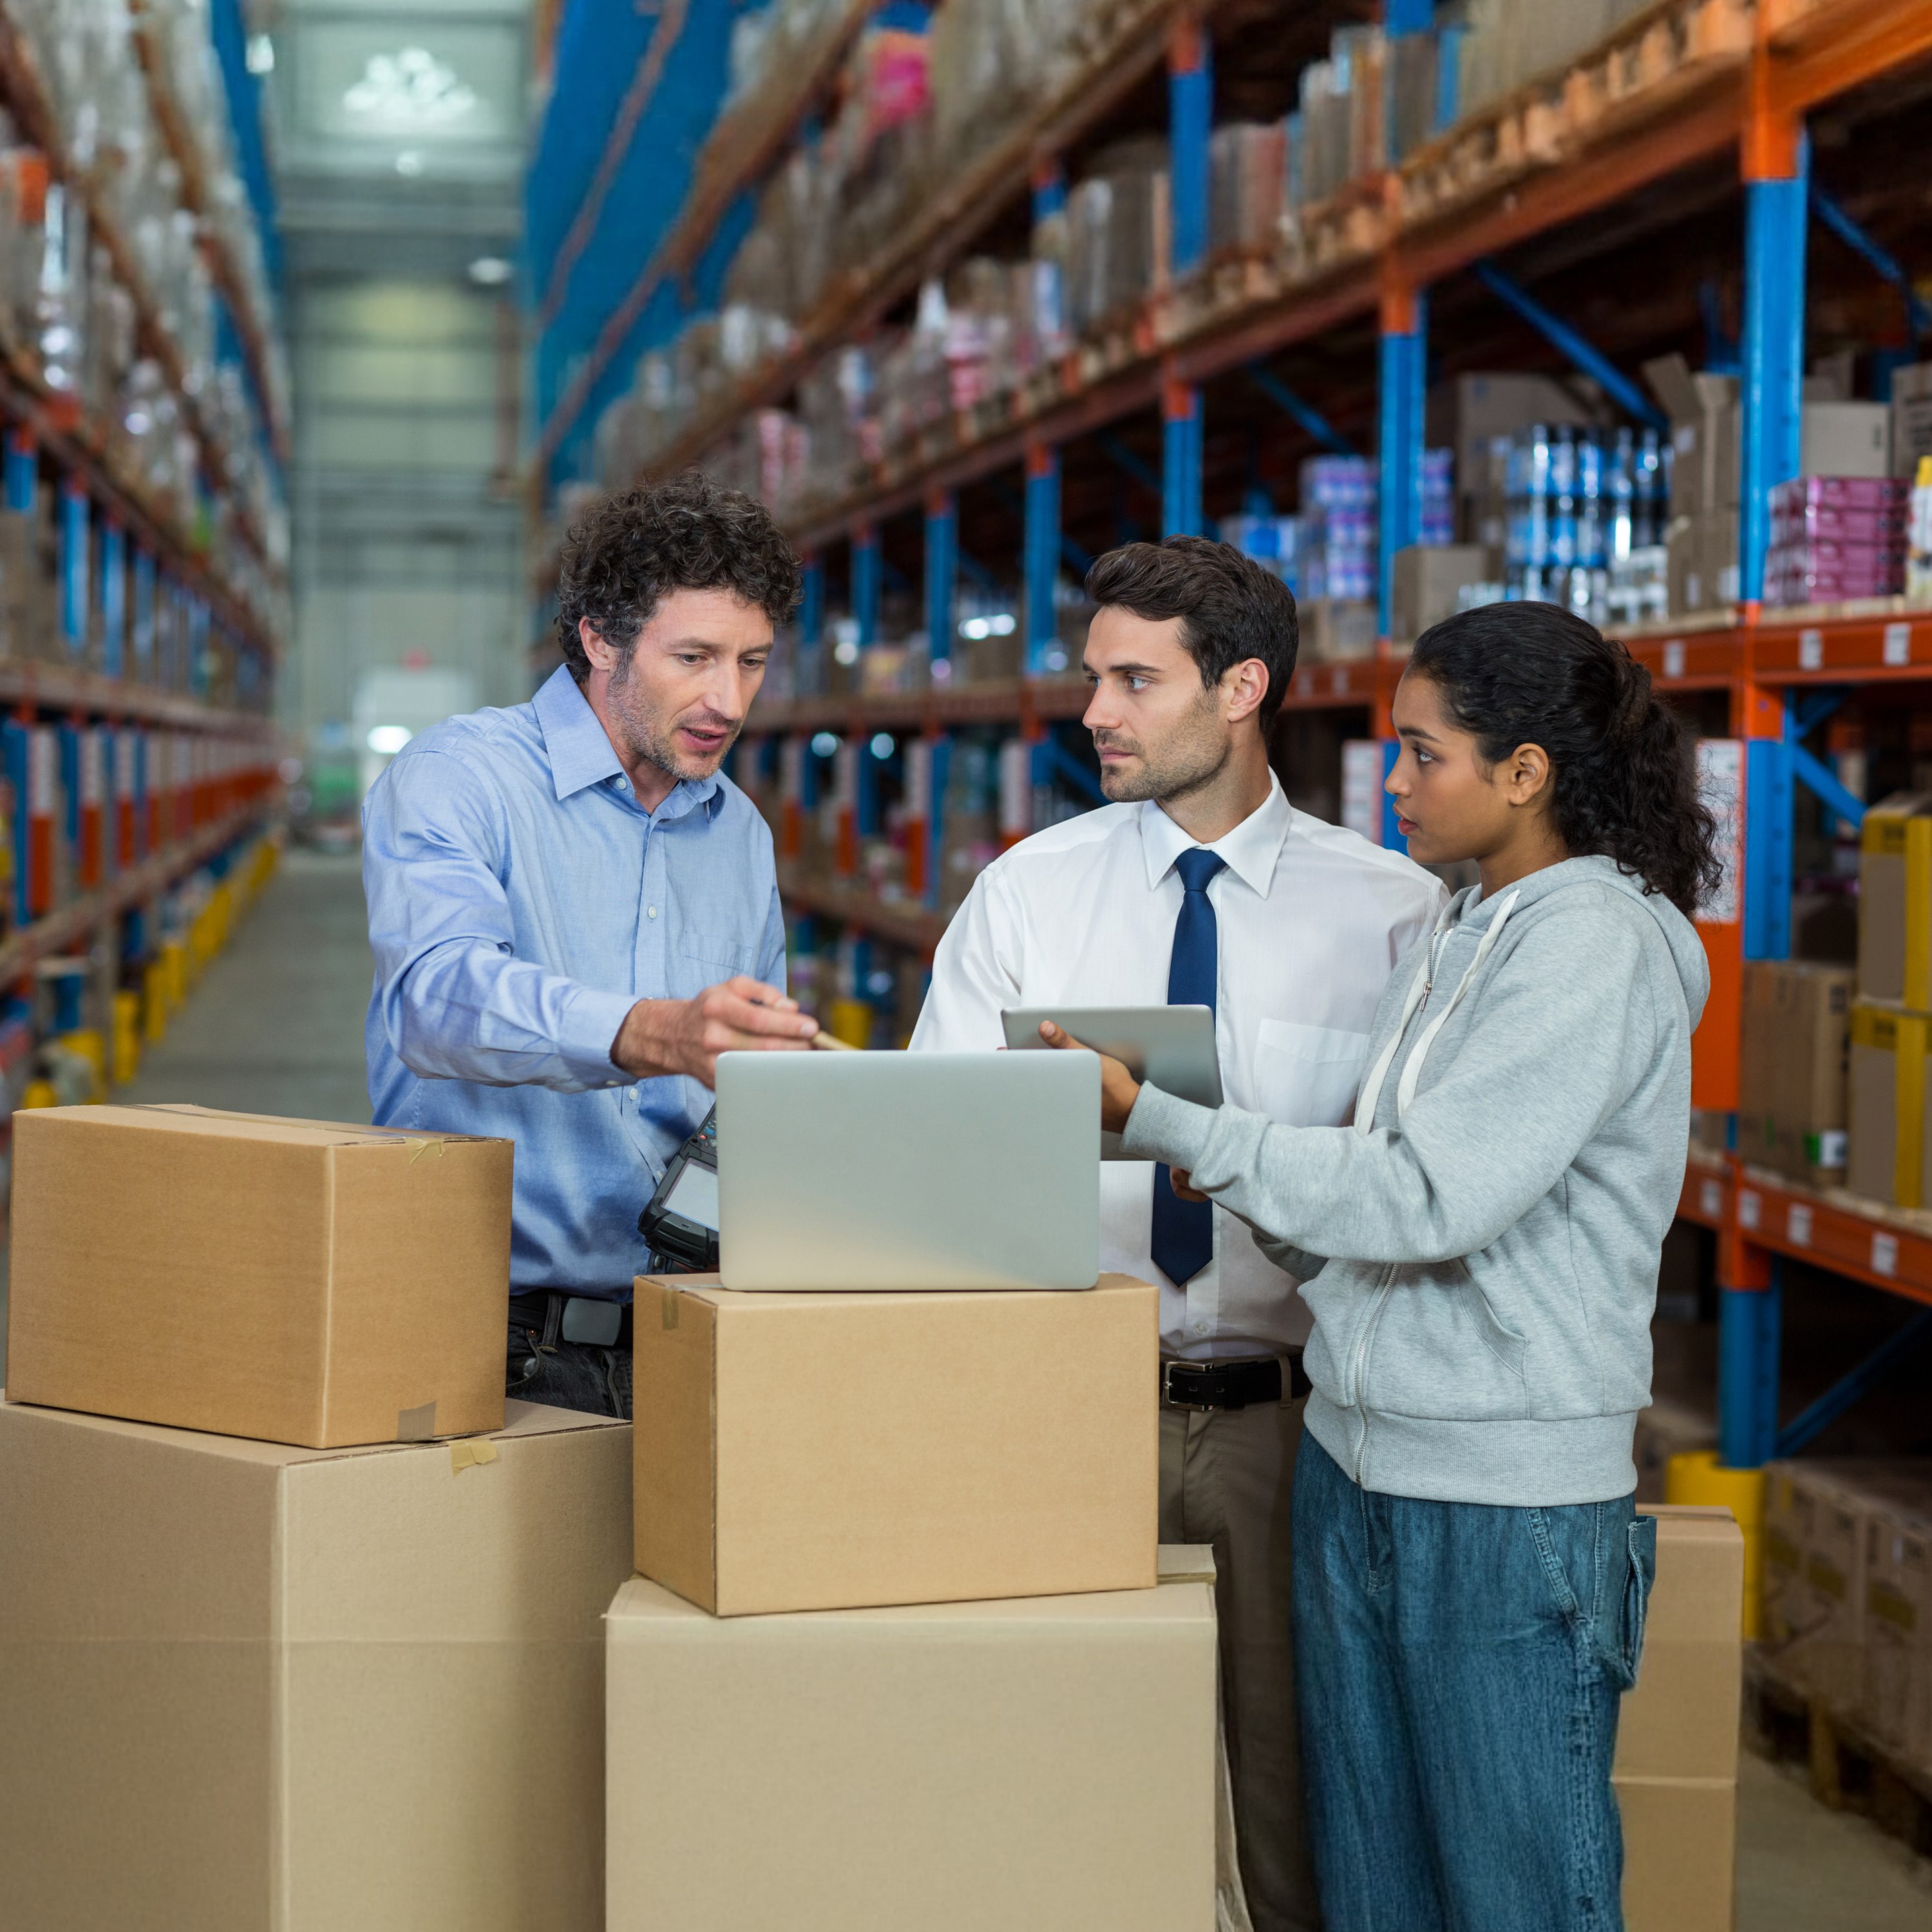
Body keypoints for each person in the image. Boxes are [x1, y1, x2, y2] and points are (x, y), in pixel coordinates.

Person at [1045, 601, 1715, 1932]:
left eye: (1424, 755)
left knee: (1517, 1884)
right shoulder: (1469, 925)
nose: (1394, 784)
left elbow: (1430, 1197)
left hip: (1500, 1501)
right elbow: (1384, 1215)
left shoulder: (1592, 943)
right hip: (1362, 1466)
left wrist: (1176, 1121)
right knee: (1375, 1885)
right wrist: (1217, 1171)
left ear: (1527, 773)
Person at [912, 536, 1443, 1932]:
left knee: (1300, 1802)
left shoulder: (1394, 917)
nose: (1096, 712)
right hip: (1070, 1403)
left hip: (1294, 1426)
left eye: (1136, 681)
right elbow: (934, 1162)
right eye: (1095, 678)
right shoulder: (1030, 894)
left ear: (1244, 687)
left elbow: (1414, 1186)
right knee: (1057, 1782)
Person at [363, 473, 821, 1420]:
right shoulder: (462, 779)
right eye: (693, 656)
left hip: (683, 1336)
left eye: (752, 662)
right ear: (600, 637)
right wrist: (653, 1032)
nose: (727, 700)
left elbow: (752, 1093)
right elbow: (435, 999)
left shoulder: (736, 829)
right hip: (492, 1345)